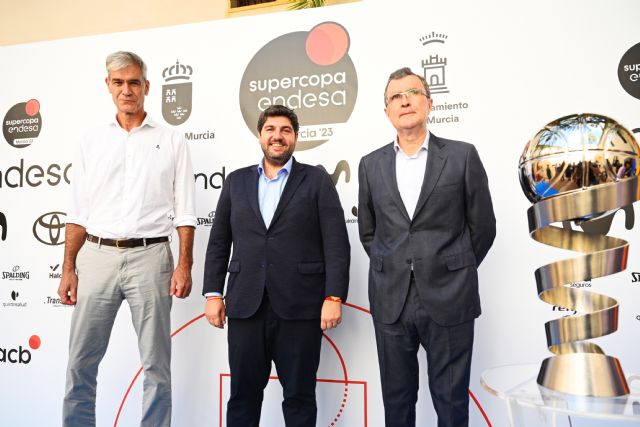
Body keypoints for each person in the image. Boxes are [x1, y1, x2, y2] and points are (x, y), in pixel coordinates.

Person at [59, 51, 196, 427]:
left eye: (134, 82)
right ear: (108, 86)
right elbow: (77, 213)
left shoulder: (171, 140)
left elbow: (185, 211)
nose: (126, 90)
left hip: (151, 257)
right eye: (118, 82)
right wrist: (68, 268)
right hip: (96, 256)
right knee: (80, 362)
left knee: (156, 365)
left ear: (147, 87)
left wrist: (184, 264)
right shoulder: (90, 141)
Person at [358, 67, 496, 427]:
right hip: (392, 300)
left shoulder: (462, 156)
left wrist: (455, 268)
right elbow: (369, 233)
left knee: (450, 403)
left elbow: (483, 227)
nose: (404, 100)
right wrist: (397, 266)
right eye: (395, 96)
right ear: (387, 111)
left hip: (450, 296)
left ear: (429, 103)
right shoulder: (370, 165)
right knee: (397, 400)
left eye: (413, 92)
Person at [203, 104, 350, 427]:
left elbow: (336, 243)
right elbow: (218, 242)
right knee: (243, 396)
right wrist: (213, 292)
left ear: (295, 137)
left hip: (300, 307)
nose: (277, 136)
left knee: (299, 397)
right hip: (245, 306)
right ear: (260, 135)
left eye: (285, 130)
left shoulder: (316, 180)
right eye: (270, 130)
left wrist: (334, 296)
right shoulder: (236, 182)